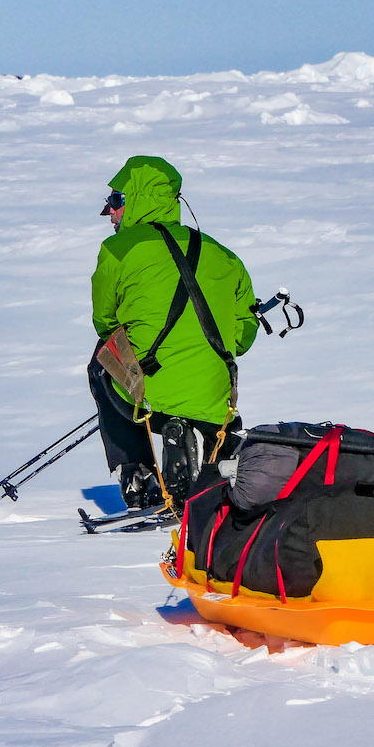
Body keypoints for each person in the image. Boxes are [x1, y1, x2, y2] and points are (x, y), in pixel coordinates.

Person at [89, 155, 259, 509]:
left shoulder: (116, 251)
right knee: (205, 392)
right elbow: (244, 336)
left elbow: (105, 324)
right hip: (215, 393)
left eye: (116, 200)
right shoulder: (223, 254)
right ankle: (215, 446)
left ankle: (140, 472)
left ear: (136, 199)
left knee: (101, 360)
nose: (110, 212)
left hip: (150, 391)